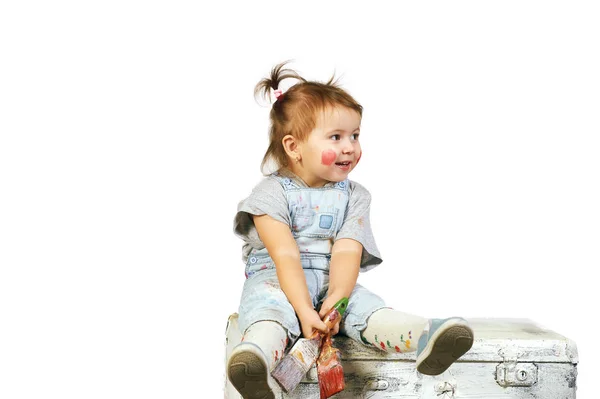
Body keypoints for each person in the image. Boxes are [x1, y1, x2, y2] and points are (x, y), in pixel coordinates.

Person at [226, 61, 474, 399]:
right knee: (271, 314)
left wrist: (336, 302)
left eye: (355, 136)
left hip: (332, 282)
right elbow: (284, 254)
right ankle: (255, 364)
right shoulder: (269, 195)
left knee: (368, 309)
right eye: (336, 137)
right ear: (293, 146)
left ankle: (425, 336)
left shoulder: (355, 195)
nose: (349, 147)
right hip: (277, 281)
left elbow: (347, 250)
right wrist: (302, 310)